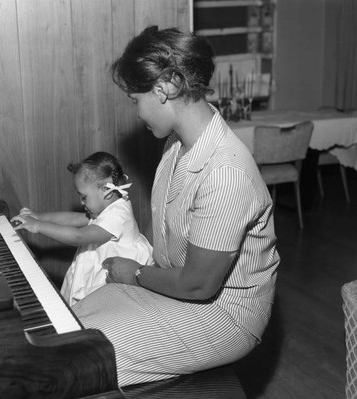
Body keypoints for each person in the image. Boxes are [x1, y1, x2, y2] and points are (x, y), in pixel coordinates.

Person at [71, 26, 280, 387]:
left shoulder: (226, 171)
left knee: (80, 358)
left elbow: (199, 285)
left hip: (225, 315)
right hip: (181, 287)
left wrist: (136, 274)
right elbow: (166, 225)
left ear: (165, 87)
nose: (137, 113)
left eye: (135, 100)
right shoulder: (176, 143)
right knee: (74, 320)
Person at [11, 151, 153, 306]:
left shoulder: (118, 216)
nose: (81, 202)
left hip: (113, 277)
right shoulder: (104, 207)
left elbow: (78, 236)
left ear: (106, 191)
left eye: (84, 196)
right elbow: (72, 219)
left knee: (96, 309)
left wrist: (38, 226)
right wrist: (39, 216)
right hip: (97, 265)